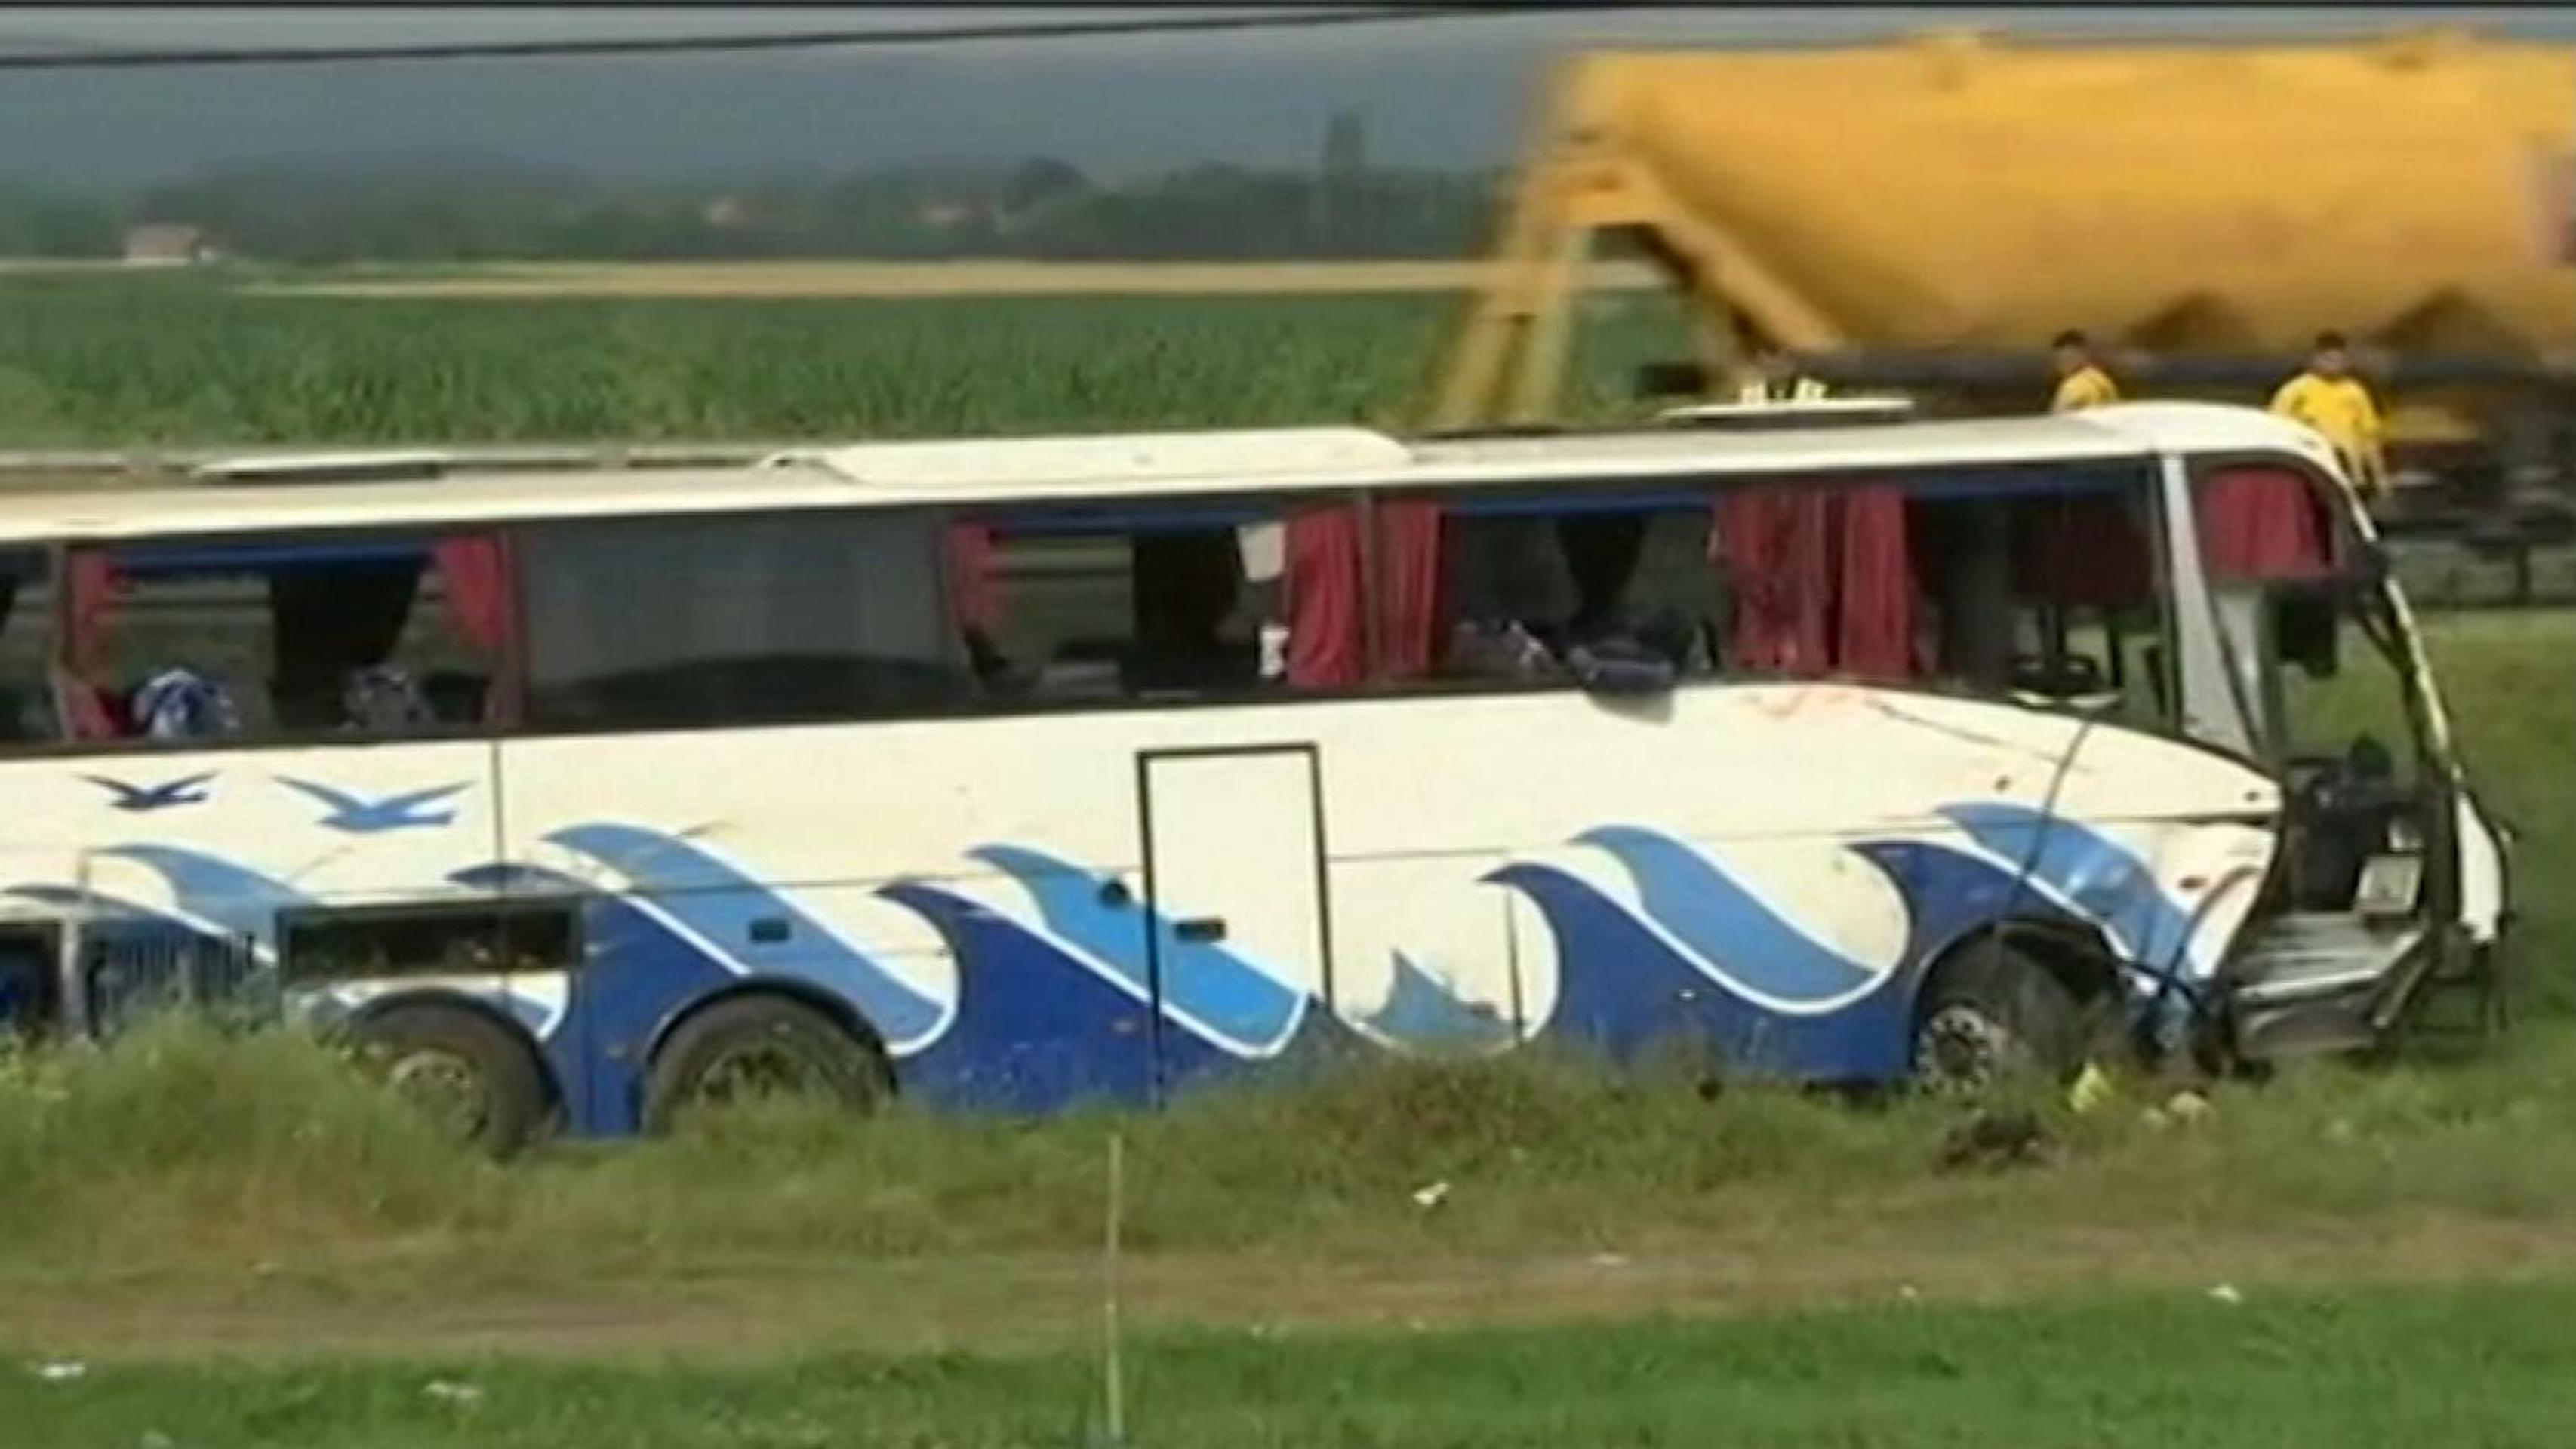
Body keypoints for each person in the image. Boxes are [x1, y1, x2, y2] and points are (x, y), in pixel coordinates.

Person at [2270, 331, 2389, 501]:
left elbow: (2369, 437)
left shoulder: (2355, 391)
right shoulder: (2295, 391)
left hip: (2351, 475)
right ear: (2314, 359)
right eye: (2327, 359)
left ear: (2347, 361)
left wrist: (2380, 478)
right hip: (2311, 468)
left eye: (2338, 360)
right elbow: (2276, 432)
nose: (2333, 365)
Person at [1733, 334, 1827, 404]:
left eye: (1782, 352)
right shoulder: (1749, 393)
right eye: (1770, 352)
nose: (1775, 361)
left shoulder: (1815, 391)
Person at [2048, 329, 2120, 413]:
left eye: (2062, 359)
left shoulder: (2073, 385)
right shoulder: (2102, 379)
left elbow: (2060, 420)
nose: (2058, 365)